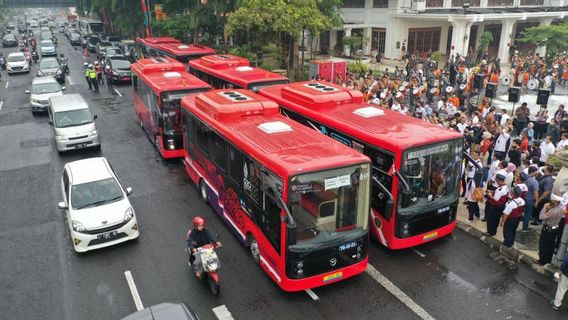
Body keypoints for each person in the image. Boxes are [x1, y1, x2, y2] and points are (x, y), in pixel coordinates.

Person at [536, 197, 563, 265]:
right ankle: (548, 260)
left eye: (552, 202)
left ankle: (542, 261)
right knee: (551, 245)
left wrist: (544, 208)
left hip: (548, 230)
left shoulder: (552, 211)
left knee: (543, 245)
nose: (551, 203)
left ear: (556, 202)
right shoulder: (561, 209)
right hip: (555, 228)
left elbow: (541, 217)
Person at [522, 167, 539, 232]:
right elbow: (535, 192)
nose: (536, 173)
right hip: (529, 199)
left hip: (522, 197)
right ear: (533, 172)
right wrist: (537, 201)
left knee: (520, 212)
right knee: (527, 214)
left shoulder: (524, 178)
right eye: (535, 172)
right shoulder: (535, 182)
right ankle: (525, 228)